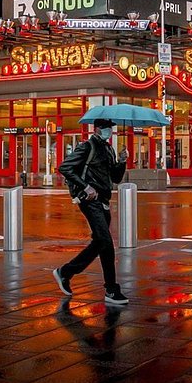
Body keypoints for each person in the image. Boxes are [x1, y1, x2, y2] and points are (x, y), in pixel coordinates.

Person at [54, 118, 129, 305]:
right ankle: (111, 289)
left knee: (101, 243)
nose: (109, 132)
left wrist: (122, 161)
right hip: (90, 200)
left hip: (104, 200)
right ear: (96, 129)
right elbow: (64, 167)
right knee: (105, 242)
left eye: (110, 129)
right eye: (105, 128)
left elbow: (116, 178)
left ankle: (65, 272)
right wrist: (86, 186)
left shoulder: (109, 149)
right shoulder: (87, 147)